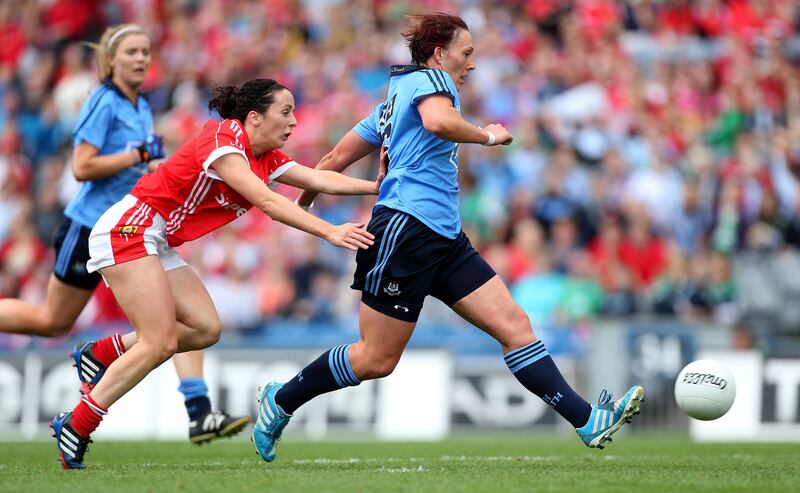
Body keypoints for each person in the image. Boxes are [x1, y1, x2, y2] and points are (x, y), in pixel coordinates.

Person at [253, 13, 644, 463]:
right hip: (406, 232)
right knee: (376, 359)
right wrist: (487, 136)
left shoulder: (394, 99)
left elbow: (335, 156)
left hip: (444, 236)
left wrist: (303, 202)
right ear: (439, 55)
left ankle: (587, 420)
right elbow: (438, 122)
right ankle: (280, 401)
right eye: (466, 53)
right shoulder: (432, 84)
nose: (471, 64)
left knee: (514, 327)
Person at [50, 77, 380, 470]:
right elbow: (268, 202)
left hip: (155, 237)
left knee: (206, 328)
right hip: (129, 228)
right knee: (160, 343)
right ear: (254, 118)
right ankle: (78, 423)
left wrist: (378, 186)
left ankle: (100, 352)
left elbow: (317, 177)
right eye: (286, 112)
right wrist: (330, 230)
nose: (294, 122)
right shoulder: (226, 140)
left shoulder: (265, 156)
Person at [0, 24, 249, 444]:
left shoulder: (140, 106)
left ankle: (198, 410)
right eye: (132, 52)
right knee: (52, 320)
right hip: (93, 226)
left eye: (146, 52)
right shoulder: (105, 102)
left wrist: (168, 169)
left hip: (133, 228)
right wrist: (137, 156)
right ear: (111, 60)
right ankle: (185, 404)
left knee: (182, 316)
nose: (141, 59)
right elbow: (82, 166)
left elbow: (139, 166)